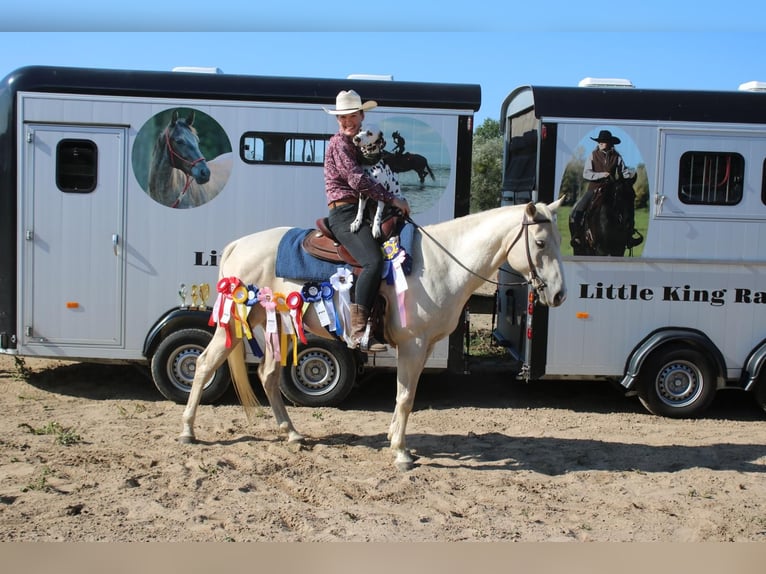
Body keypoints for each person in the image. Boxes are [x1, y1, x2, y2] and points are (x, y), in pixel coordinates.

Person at [323, 90, 411, 353]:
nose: (347, 122)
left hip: (368, 210)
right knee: (373, 261)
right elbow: (357, 181)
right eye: (342, 118)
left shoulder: (361, 144)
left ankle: (386, 321)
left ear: (361, 116)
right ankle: (359, 330)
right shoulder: (339, 144)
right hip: (345, 213)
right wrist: (393, 199)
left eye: (351, 116)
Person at [570, 129, 634, 248]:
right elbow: (586, 173)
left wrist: (629, 176)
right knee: (577, 211)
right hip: (594, 189)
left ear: (610, 143)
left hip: (612, 188)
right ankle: (577, 236)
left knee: (627, 208)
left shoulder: (617, 157)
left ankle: (629, 237)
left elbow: (624, 171)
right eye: (599, 141)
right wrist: (601, 175)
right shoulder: (593, 156)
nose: (600, 143)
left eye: (603, 141)